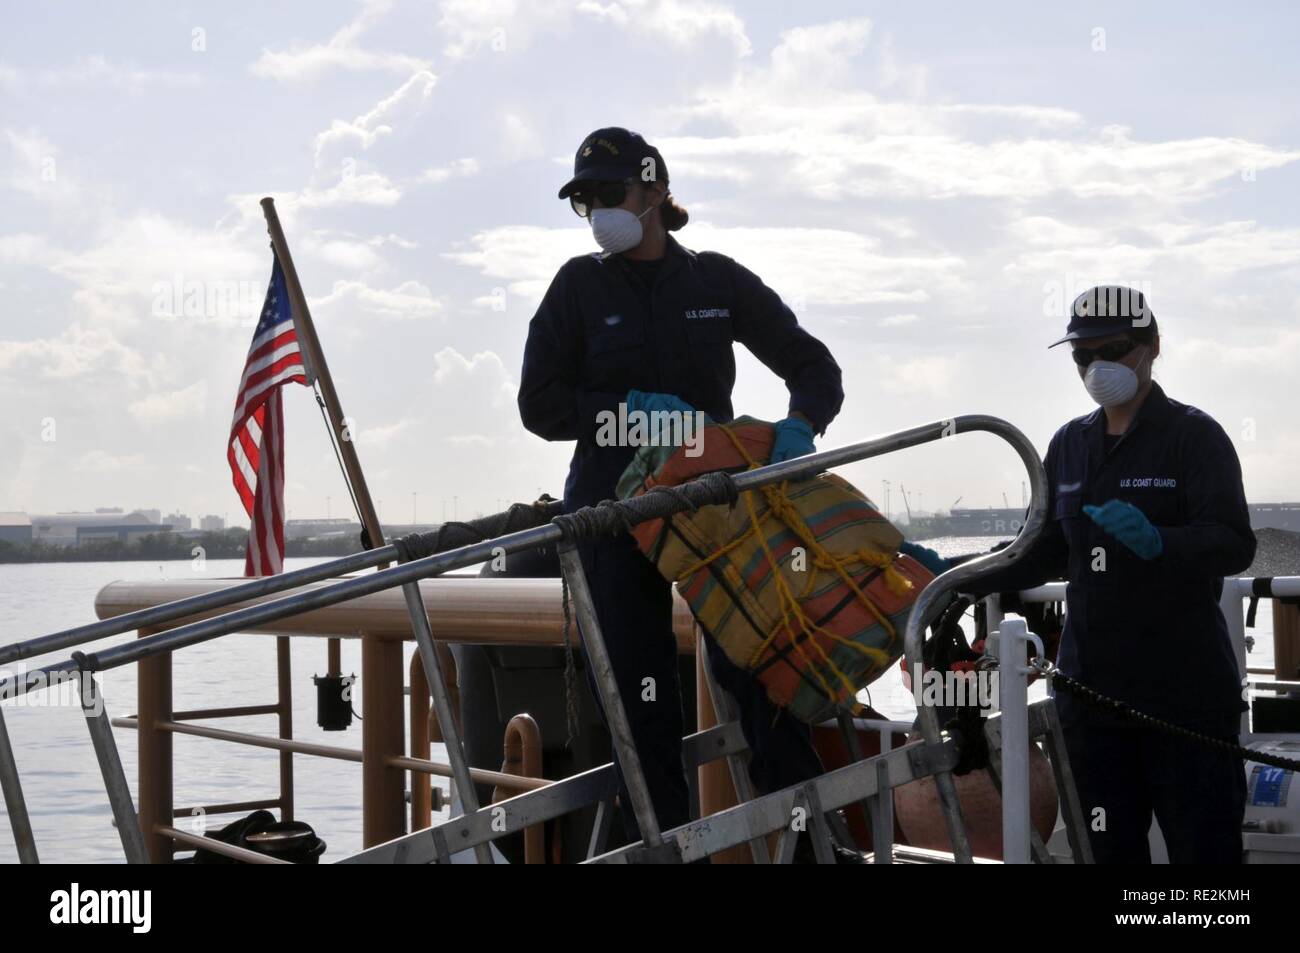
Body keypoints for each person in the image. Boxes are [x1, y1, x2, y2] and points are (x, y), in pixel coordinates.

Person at [517, 127, 851, 856]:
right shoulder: (578, 287)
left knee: (762, 666)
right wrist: (622, 414)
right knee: (642, 704)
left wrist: (799, 429)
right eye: (585, 202)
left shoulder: (717, 282)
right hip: (611, 518)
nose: (598, 211)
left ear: (655, 192)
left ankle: (810, 845)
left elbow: (815, 366)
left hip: (715, 511)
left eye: (610, 194)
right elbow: (539, 406)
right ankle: (664, 849)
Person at [965, 285, 1255, 863]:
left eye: (1114, 349)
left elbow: (1234, 544)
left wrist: (1159, 542)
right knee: (1106, 853)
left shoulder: (1195, 437)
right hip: (1091, 702)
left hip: (1185, 700)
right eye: (1082, 356)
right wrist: (960, 574)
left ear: (1151, 346)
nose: (1096, 368)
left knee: (1206, 862)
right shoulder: (1069, 445)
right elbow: (1042, 550)